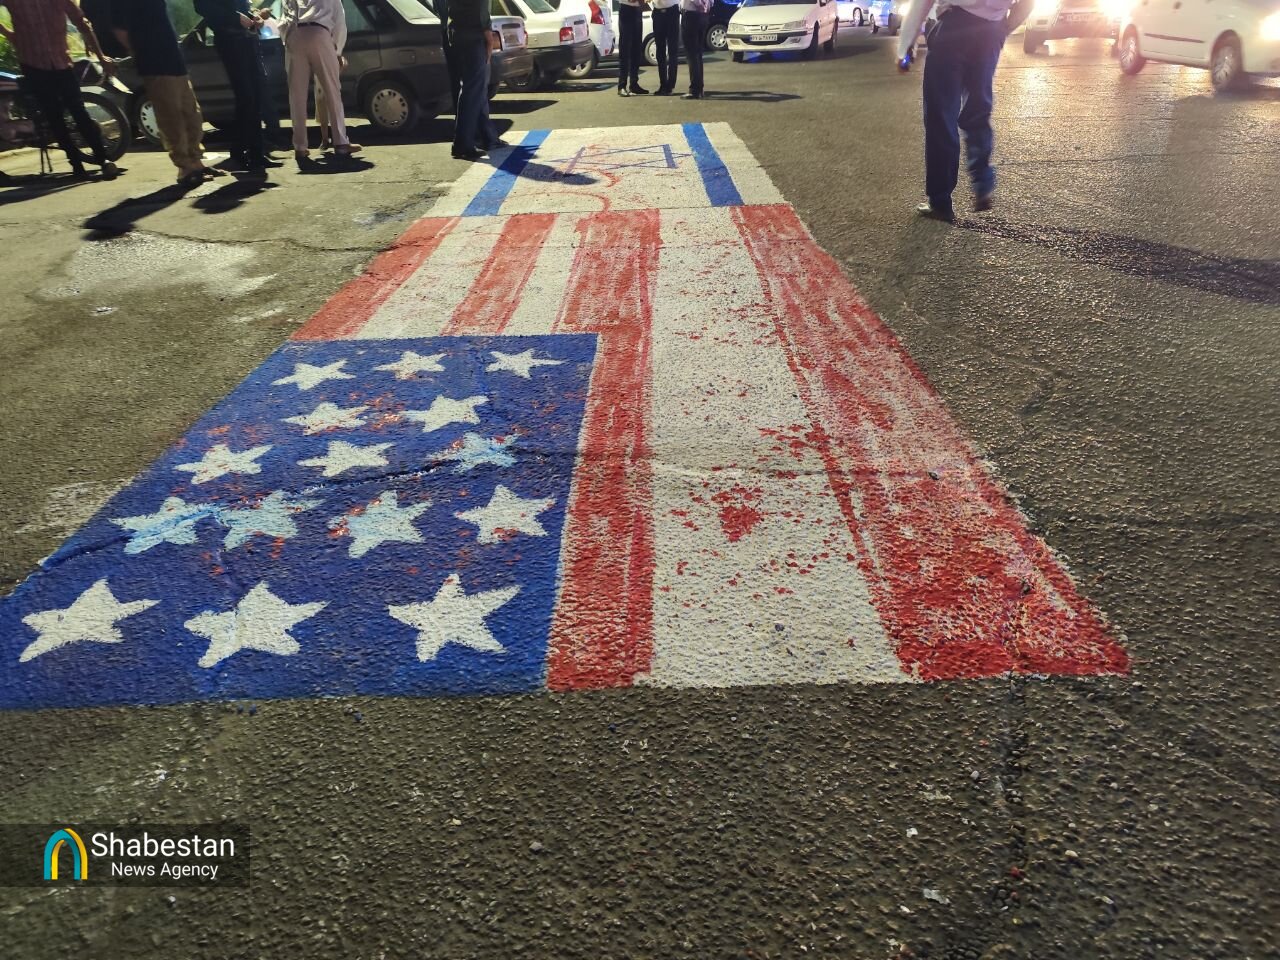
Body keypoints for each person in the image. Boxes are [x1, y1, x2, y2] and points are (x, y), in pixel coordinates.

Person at [896, 0, 1030, 221]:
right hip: (991, 29)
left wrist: (905, 47)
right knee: (978, 109)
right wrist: (1003, 27)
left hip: (953, 28)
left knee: (941, 116)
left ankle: (940, 201)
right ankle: (982, 182)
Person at [0, 0, 119, 180]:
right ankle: (77, 165)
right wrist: (9, 35)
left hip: (61, 63)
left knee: (77, 112)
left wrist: (101, 57)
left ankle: (102, 159)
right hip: (34, 65)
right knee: (55, 116)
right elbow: (82, 24)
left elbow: (81, 23)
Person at [110, 0, 218, 185]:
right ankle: (185, 168)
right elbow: (119, 28)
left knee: (191, 113)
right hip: (154, 61)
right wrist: (140, 52)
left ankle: (196, 161)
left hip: (173, 58)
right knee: (171, 116)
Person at [193, 0, 278, 169]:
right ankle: (240, 152)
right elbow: (203, 6)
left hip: (247, 39)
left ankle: (256, 154)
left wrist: (253, 17)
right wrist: (236, 17)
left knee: (255, 95)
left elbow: (240, 6)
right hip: (230, 40)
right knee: (246, 97)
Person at [280, 0, 361, 161]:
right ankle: (340, 143)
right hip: (319, 32)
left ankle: (300, 147)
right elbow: (339, 21)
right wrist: (337, 51)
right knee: (332, 90)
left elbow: (283, 21)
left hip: (294, 34)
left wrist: (288, 40)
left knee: (296, 96)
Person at [445, 0, 504, 160]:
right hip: (473, 35)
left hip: (457, 33)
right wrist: (488, 36)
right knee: (472, 91)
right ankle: (462, 145)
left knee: (473, 89)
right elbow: (480, 10)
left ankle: (488, 137)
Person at [616, 0, 647, 96]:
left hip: (637, 9)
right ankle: (622, 86)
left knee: (636, 49)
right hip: (626, 9)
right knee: (625, 49)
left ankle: (634, 84)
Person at [679, 0, 709, 100]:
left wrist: (700, 4)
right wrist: (706, 5)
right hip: (702, 16)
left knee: (691, 54)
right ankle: (699, 88)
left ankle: (695, 89)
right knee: (697, 54)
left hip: (691, 15)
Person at [650, 0, 678, 96]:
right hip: (657, 12)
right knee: (660, 51)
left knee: (672, 50)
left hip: (672, 11)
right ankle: (663, 85)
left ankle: (670, 85)